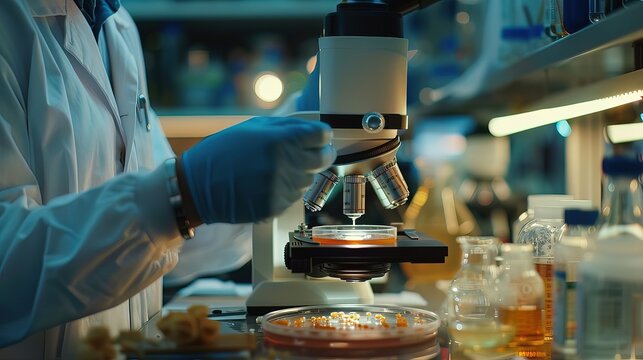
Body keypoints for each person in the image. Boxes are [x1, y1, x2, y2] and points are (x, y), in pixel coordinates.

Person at [0, 0, 332, 358]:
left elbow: (165, 243)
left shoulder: (117, 26)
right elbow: (8, 273)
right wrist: (184, 194)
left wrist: (305, 116)